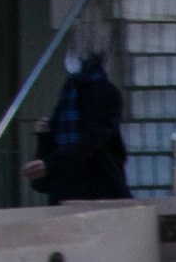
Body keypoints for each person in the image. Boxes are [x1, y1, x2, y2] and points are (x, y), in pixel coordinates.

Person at [27, 51, 130, 202]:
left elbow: (93, 140)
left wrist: (50, 163)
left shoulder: (105, 93)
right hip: (67, 185)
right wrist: (44, 138)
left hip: (98, 185)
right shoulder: (70, 91)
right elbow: (58, 140)